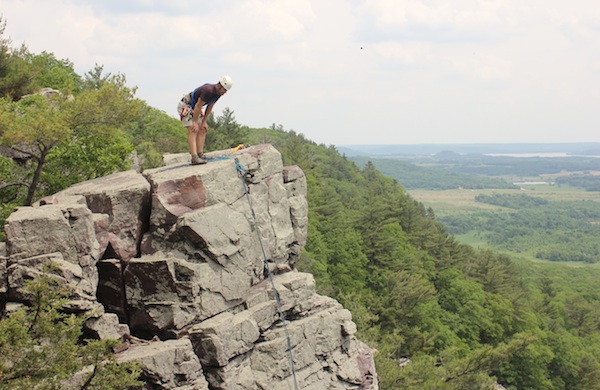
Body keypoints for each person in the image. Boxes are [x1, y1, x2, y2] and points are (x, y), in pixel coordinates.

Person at [177, 75, 233, 165]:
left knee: (203, 129)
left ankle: (200, 154)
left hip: (195, 107)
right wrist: (194, 122)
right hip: (186, 105)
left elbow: (210, 106)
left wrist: (204, 122)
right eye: (225, 90)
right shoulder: (208, 90)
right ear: (220, 86)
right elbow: (198, 106)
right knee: (193, 129)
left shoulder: (218, 93)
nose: (225, 92)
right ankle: (194, 157)